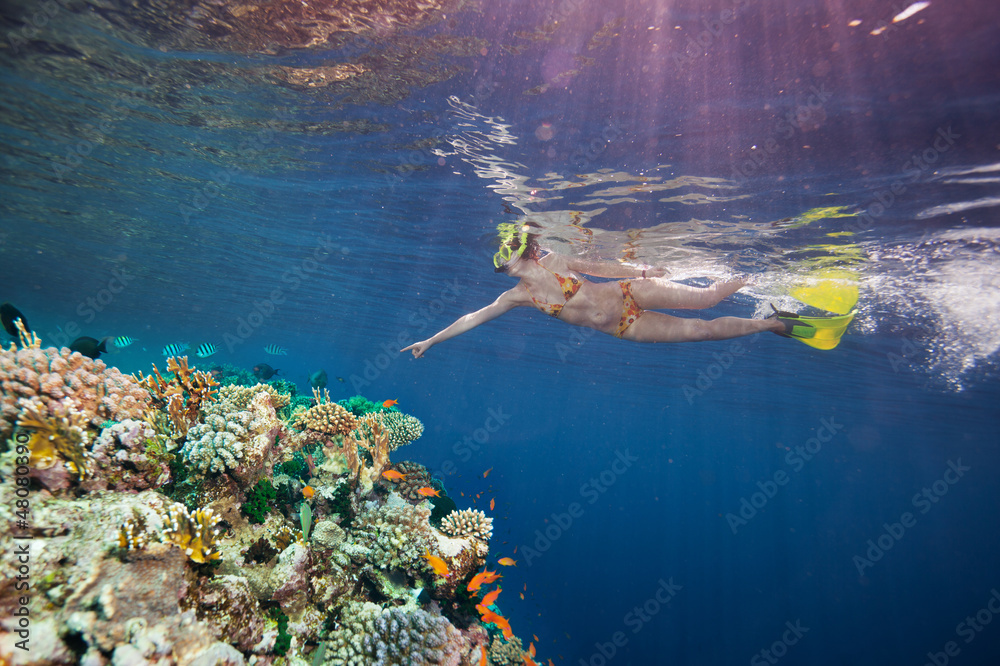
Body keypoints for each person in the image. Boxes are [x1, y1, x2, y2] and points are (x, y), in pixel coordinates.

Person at [402, 226, 854, 357]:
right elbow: (472, 318)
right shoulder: (518, 297)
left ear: (522, 252)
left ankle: (763, 275)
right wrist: (430, 340)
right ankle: (775, 322)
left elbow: (597, 264)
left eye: (506, 254)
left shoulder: (555, 261)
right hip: (626, 325)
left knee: (710, 298)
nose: (502, 264)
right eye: (500, 259)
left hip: (627, 291)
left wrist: (640, 267)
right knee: (701, 333)